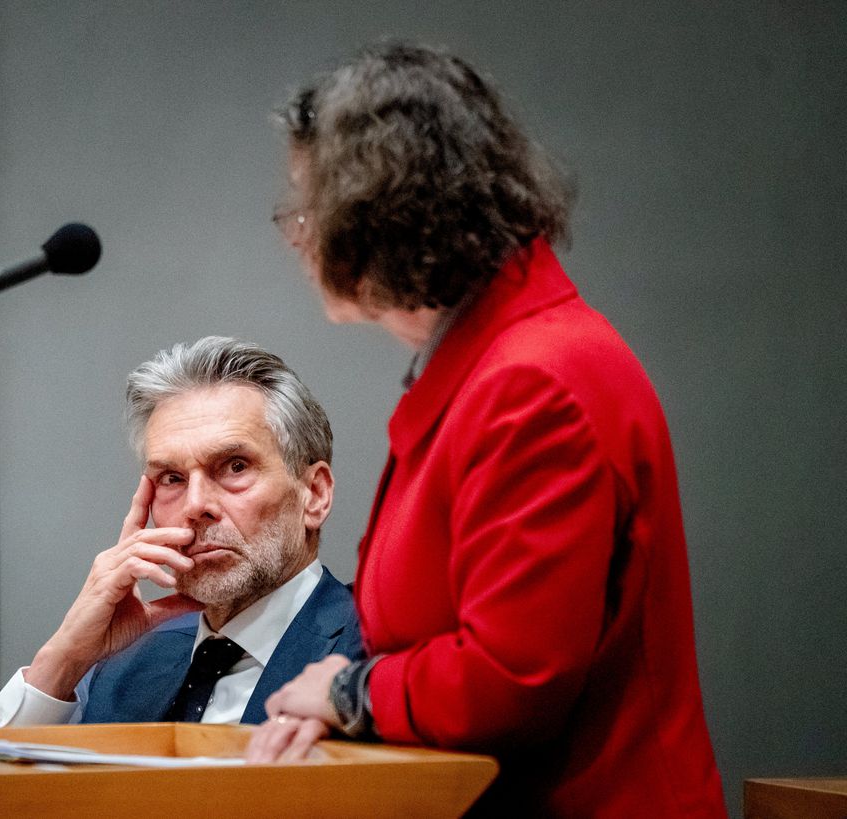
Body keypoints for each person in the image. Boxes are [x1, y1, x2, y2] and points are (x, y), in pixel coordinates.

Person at [246, 44, 727, 817]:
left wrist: (343, 691)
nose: (296, 233)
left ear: (378, 211)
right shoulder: (497, 359)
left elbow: (512, 681)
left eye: (309, 207)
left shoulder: (532, 383)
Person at [0, 336, 363, 726]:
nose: (195, 506)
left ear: (314, 494)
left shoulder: (376, 655)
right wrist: (63, 660)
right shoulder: (121, 665)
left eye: (235, 467)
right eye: (172, 477)